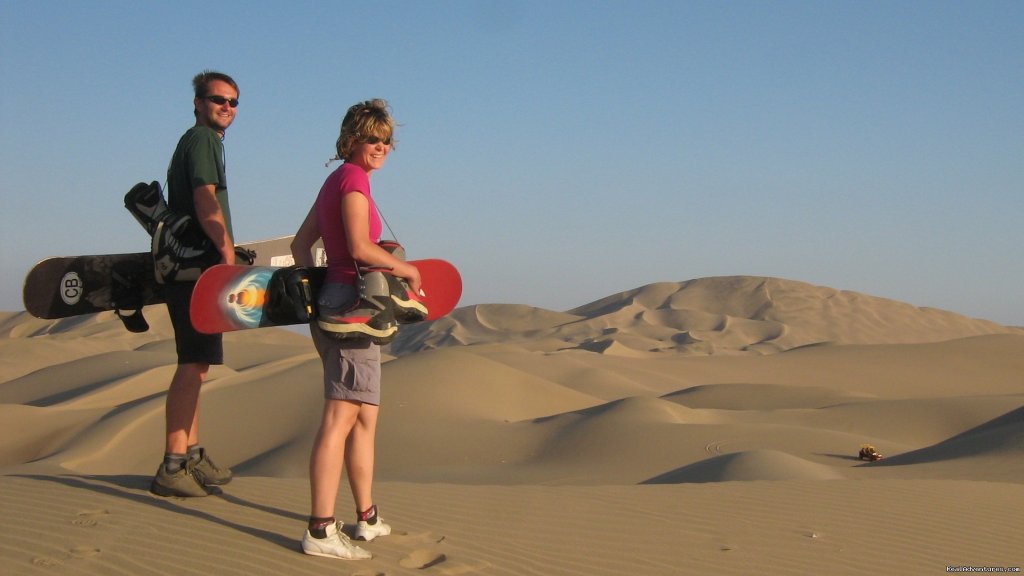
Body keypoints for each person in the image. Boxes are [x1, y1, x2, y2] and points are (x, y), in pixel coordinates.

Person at [291, 99, 421, 560]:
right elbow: (362, 249)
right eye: (372, 138)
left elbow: (300, 244)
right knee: (341, 418)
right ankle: (321, 531)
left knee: (364, 415)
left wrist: (317, 292)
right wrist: (403, 268)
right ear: (351, 139)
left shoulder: (338, 180)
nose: (381, 147)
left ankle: (365, 518)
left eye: (387, 140)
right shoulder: (353, 179)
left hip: (339, 304)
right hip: (353, 309)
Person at [150, 71, 239, 498]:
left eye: (233, 102)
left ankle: (191, 456)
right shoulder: (202, 141)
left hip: (189, 270)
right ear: (198, 103)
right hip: (197, 270)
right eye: (218, 99)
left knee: (197, 364)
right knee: (192, 364)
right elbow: (206, 197)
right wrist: (226, 252)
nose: (226, 107)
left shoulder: (197, 141)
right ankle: (172, 465)